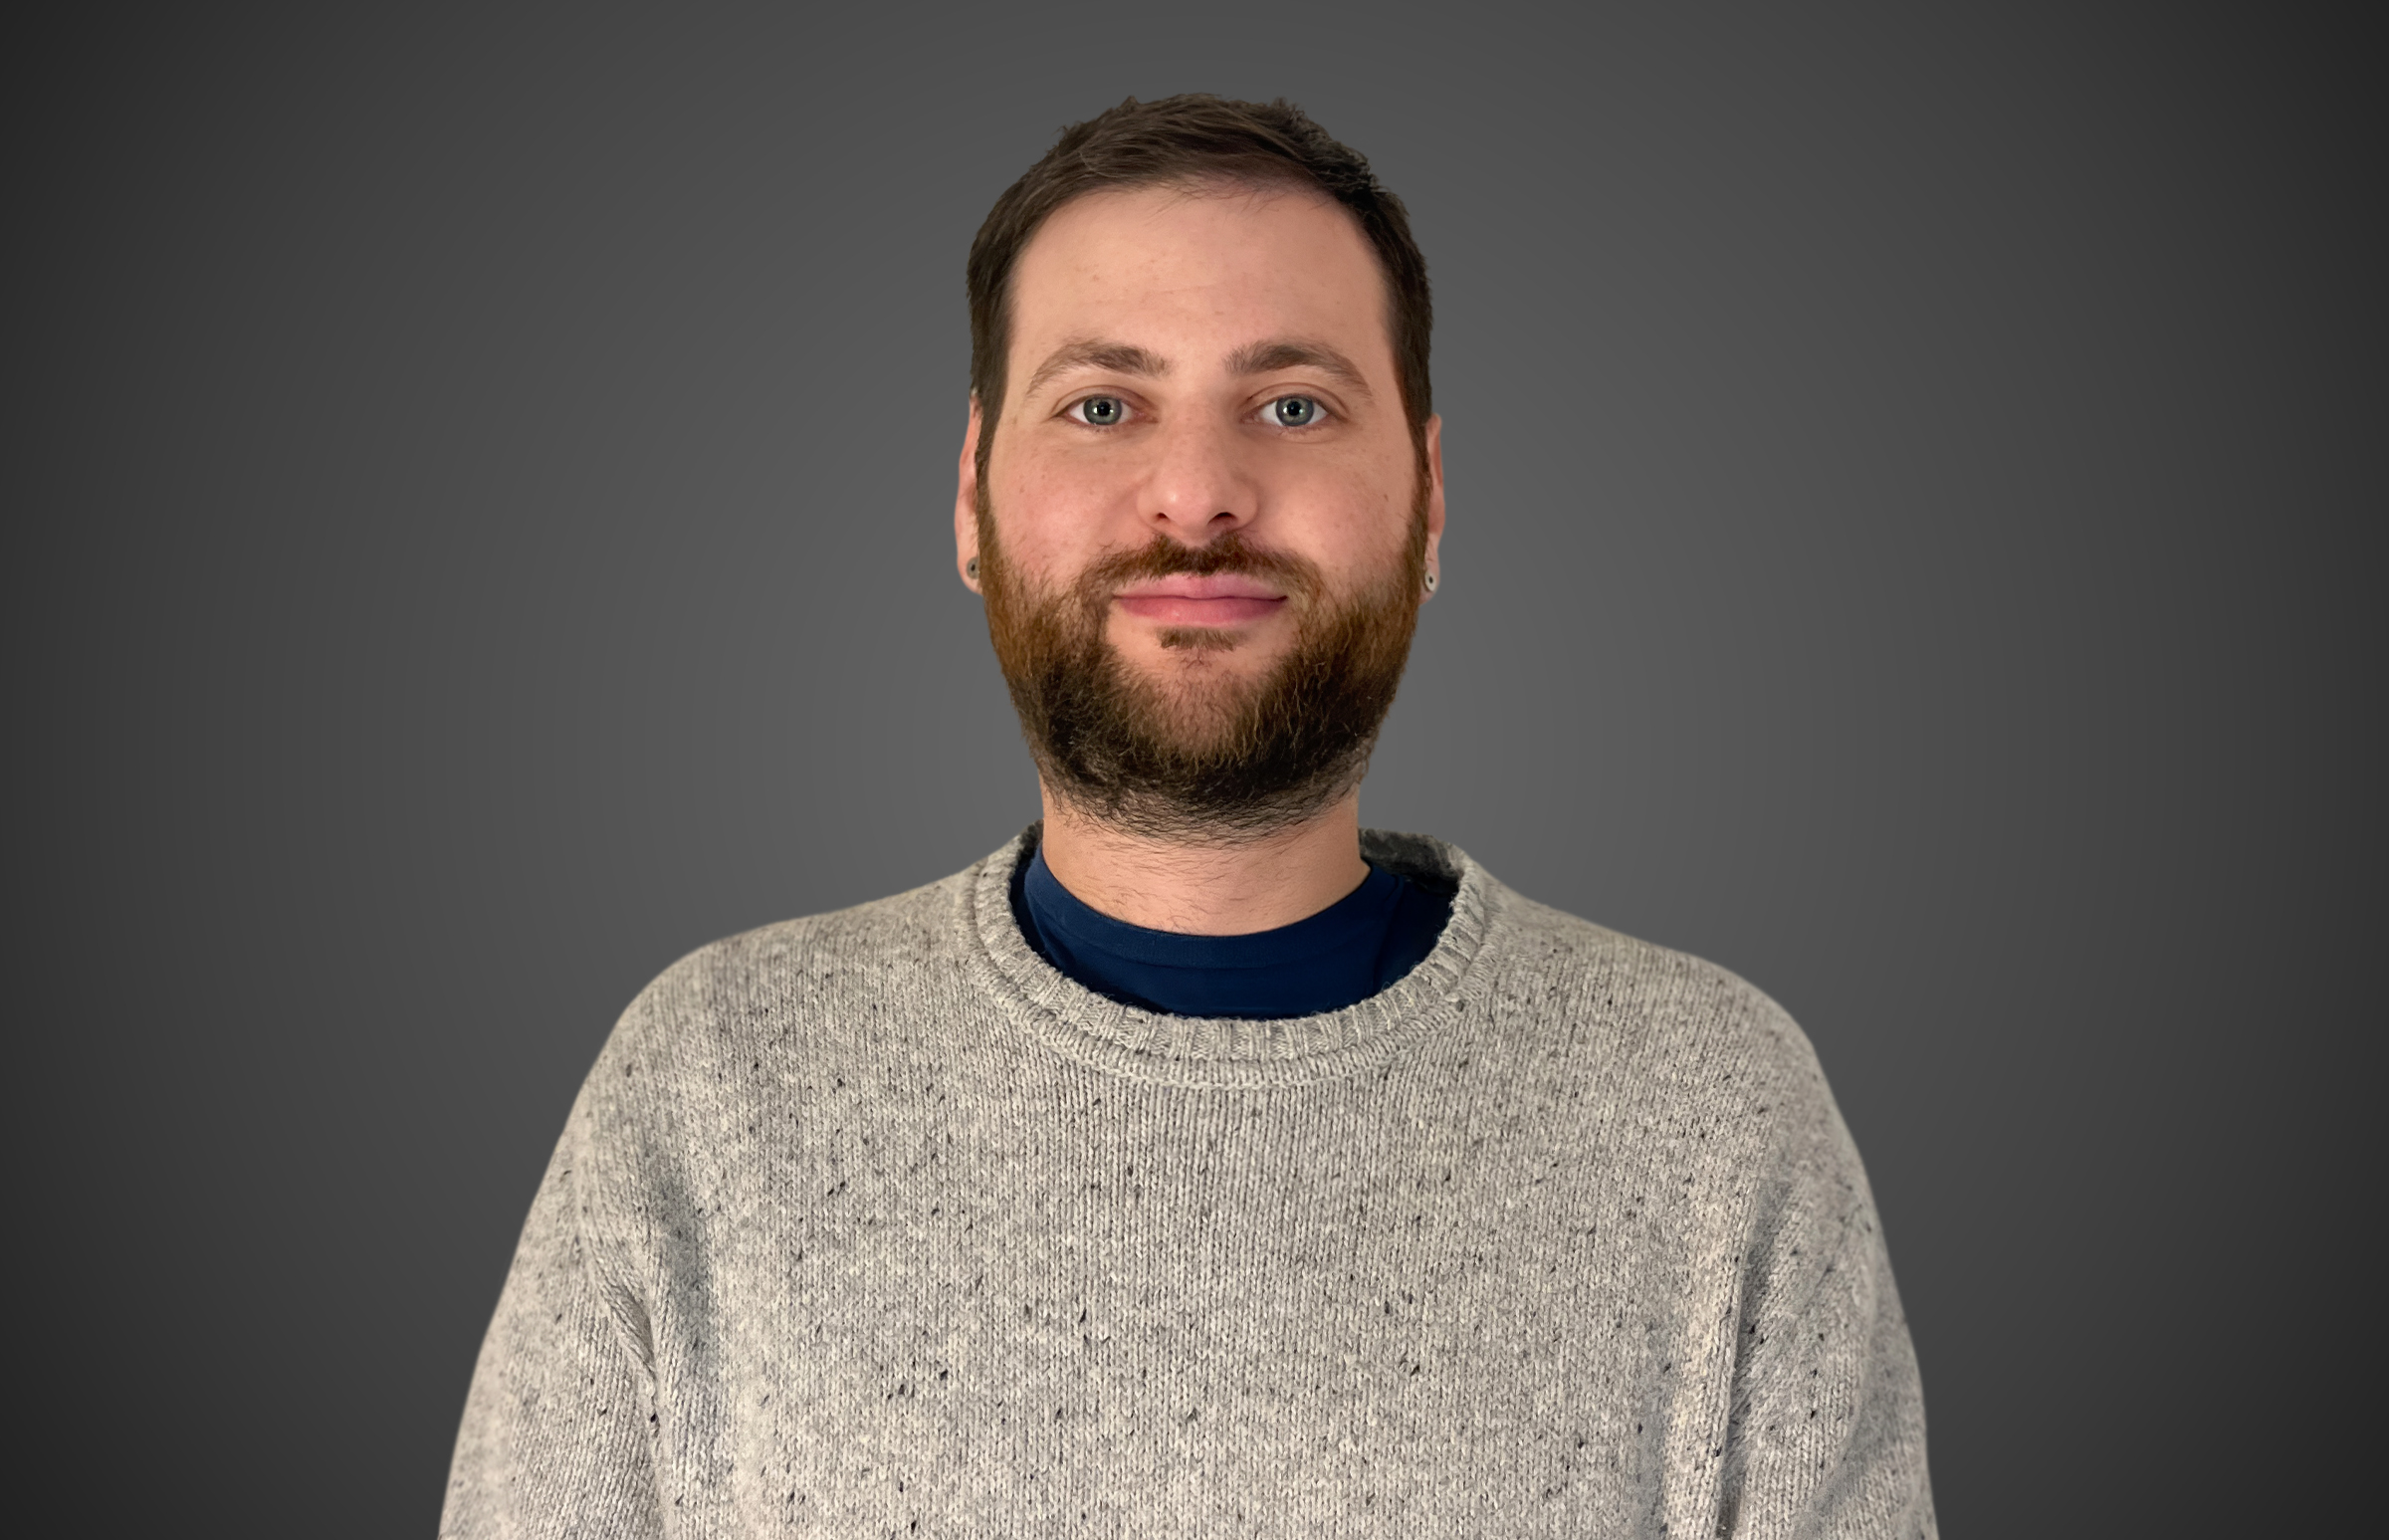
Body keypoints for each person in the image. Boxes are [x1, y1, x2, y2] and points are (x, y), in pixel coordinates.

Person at [441, 94, 1936, 1537]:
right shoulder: (711, 1084)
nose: (1199, 494)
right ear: (971, 497)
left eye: (1293, 405)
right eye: (1103, 405)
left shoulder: (1712, 1111)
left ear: (1427, 497)